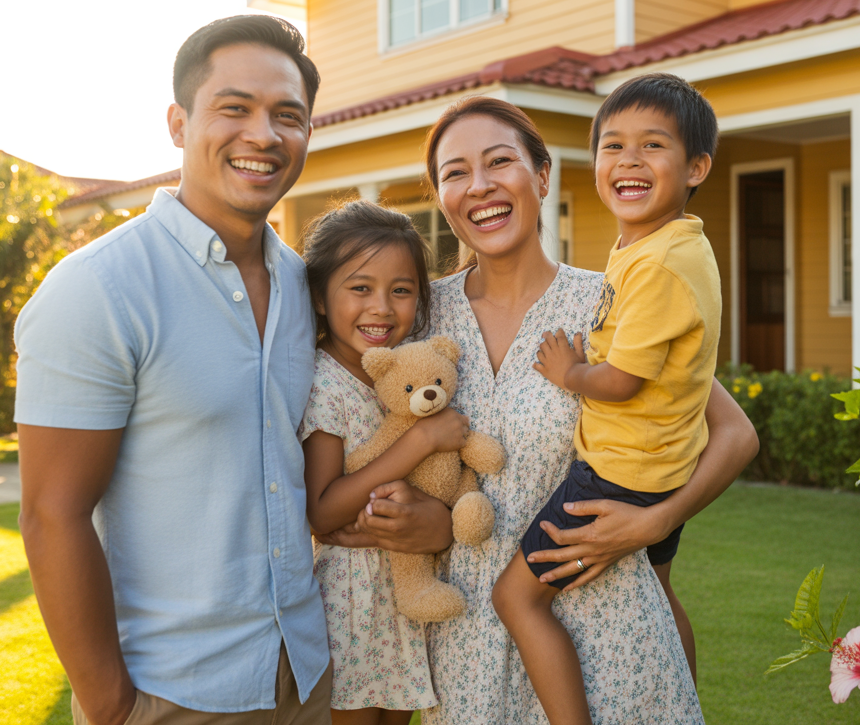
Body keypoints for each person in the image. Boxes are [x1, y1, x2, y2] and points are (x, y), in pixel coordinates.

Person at [321, 96, 758, 725]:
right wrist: (415, 521)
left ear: (542, 176)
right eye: (454, 172)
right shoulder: (415, 318)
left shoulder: (606, 302)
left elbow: (735, 434)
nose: (479, 186)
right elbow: (362, 445)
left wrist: (656, 522)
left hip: (605, 637)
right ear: (441, 194)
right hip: (467, 651)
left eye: (499, 161)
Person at [14, 15, 348, 725]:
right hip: (170, 695)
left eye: (288, 115)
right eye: (235, 108)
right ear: (178, 122)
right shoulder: (99, 289)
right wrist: (111, 707)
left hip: (307, 677)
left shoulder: (303, 287)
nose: (263, 135)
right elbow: (51, 515)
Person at [491, 73, 721, 725]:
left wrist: (571, 373)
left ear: (697, 166)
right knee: (660, 589)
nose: (628, 160)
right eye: (613, 146)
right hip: (657, 468)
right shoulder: (651, 247)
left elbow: (621, 380)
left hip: (616, 479)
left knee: (517, 598)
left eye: (652, 146)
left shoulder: (659, 265)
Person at [297, 200, 469, 725]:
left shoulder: (411, 372)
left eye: (401, 290)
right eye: (359, 288)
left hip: (402, 600)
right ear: (322, 298)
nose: (382, 308)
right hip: (349, 608)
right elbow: (324, 514)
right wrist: (417, 444)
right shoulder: (324, 383)